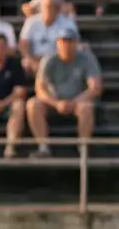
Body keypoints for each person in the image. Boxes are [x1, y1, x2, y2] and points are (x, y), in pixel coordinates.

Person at [30, 26, 102, 156]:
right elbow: (40, 89)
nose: (66, 45)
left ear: (76, 43)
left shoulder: (87, 58)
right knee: (33, 104)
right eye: (63, 41)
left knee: (86, 107)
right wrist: (56, 103)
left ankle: (83, 148)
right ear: (57, 43)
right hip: (54, 102)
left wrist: (74, 102)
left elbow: (95, 87)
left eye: (70, 41)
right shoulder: (49, 60)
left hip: (78, 101)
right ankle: (43, 147)